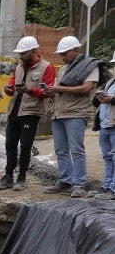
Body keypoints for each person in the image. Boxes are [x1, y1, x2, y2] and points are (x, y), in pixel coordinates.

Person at [43, 36, 99, 197]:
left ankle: (79, 185)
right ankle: (65, 181)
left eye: (65, 53)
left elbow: (86, 88)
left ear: (76, 50)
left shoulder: (90, 67)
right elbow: (61, 90)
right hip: (59, 113)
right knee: (61, 150)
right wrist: (52, 91)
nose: (62, 57)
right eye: (61, 54)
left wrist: (60, 88)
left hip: (76, 113)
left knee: (77, 150)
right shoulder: (63, 70)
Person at [0, 36, 56, 190]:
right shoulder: (19, 67)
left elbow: (49, 91)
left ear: (33, 51)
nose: (21, 56)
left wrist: (30, 90)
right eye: (20, 54)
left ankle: (22, 177)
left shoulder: (47, 67)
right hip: (14, 111)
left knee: (25, 145)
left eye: (24, 53)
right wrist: (8, 89)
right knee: (10, 144)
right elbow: (12, 86)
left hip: (31, 112)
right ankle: (8, 176)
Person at [94, 51, 115, 200]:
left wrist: (112, 100)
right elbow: (97, 103)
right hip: (105, 125)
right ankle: (107, 185)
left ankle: (113, 189)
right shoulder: (110, 82)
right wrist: (99, 97)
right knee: (108, 158)